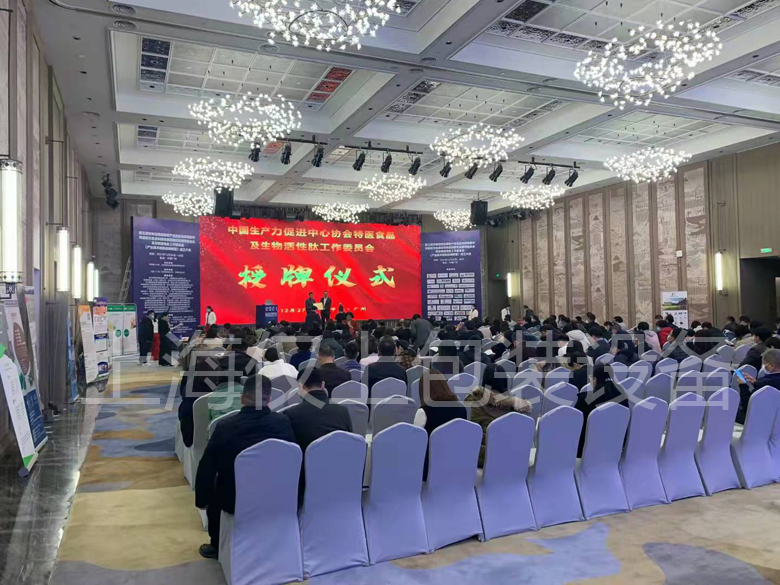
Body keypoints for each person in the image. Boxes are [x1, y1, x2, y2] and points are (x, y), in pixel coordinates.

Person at [195, 375, 295, 559]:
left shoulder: (225, 427)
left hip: (234, 499)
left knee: (216, 486)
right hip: (276, 495)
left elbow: (207, 468)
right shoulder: (283, 423)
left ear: (242, 398)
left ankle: (217, 545)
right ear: (269, 399)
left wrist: (202, 500)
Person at [284, 368, 353, 500]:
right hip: (339, 478)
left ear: (301, 387)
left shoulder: (291, 415)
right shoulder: (342, 411)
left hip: (306, 485)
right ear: (322, 385)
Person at [414, 373, 467, 479]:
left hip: (429, 470)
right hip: (456, 466)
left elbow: (416, 443)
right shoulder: (461, 408)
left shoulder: (423, 411)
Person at [465, 385, 531, 467]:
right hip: (515, 459)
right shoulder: (520, 409)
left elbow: (473, 436)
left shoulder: (477, 400)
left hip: (488, 457)